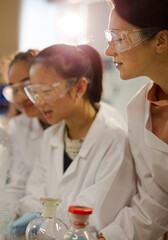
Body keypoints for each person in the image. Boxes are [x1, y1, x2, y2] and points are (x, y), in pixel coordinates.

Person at [14, 44, 135, 237]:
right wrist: (32, 213)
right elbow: (35, 194)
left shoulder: (114, 140)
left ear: (79, 87)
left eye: (46, 91)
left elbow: (95, 217)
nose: (39, 102)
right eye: (34, 92)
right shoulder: (50, 137)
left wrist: (44, 217)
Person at [99, 0, 168, 239]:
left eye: (119, 39)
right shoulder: (139, 110)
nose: (109, 51)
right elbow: (156, 202)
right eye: (110, 38)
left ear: (160, 41)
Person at [2, 50, 50, 204]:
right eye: (14, 90)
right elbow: (17, 183)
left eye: (27, 85)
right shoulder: (19, 125)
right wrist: (2, 215)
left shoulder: (67, 123)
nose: (21, 97)